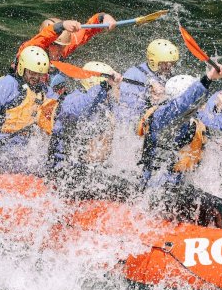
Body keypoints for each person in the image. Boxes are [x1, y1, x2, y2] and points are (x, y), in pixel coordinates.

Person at [137, 64, 222, 229]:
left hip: (174, 189)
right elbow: (183, 104)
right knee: (219, 205)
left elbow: (220, 128)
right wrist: (207, 79)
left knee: (204, 201)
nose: (203, 102)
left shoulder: (193, 121)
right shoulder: (162, 116)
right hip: (156, 190)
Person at [46, 62, 137, 202]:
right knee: (119, 186)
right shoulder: (72, 99)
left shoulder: (105, 104)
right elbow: (79, 109)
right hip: (64, 169)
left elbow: (126, 120)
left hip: (88, 168)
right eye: (108, 86)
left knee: (131, 179)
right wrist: (103, 86)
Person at [0, 46, 55, 175]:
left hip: (26, 147)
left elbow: (58, 108)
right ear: (21, 68)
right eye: (32, 73)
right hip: (0, 145)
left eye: (40, 74)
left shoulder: (44, 91)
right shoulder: (5, 86)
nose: (36, 78)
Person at [11, 14, 118, 98]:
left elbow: (86, 32)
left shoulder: (62, 48)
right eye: (57, 46)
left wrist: (102, 18)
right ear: (49, 44)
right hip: (23, 93)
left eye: (62, 47)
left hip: (48, 95)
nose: (60, 51)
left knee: (60, 79)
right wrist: (62, 26)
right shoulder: (30, 49)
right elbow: (44, 37)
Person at [115, 39, 179, 124]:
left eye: (172, 63)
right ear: (153, 62)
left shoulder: (167, 74)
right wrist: (152, 99)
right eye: (165, 63)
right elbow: (128, 114)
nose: (169, 67)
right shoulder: (133, 77)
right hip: (134, 120)